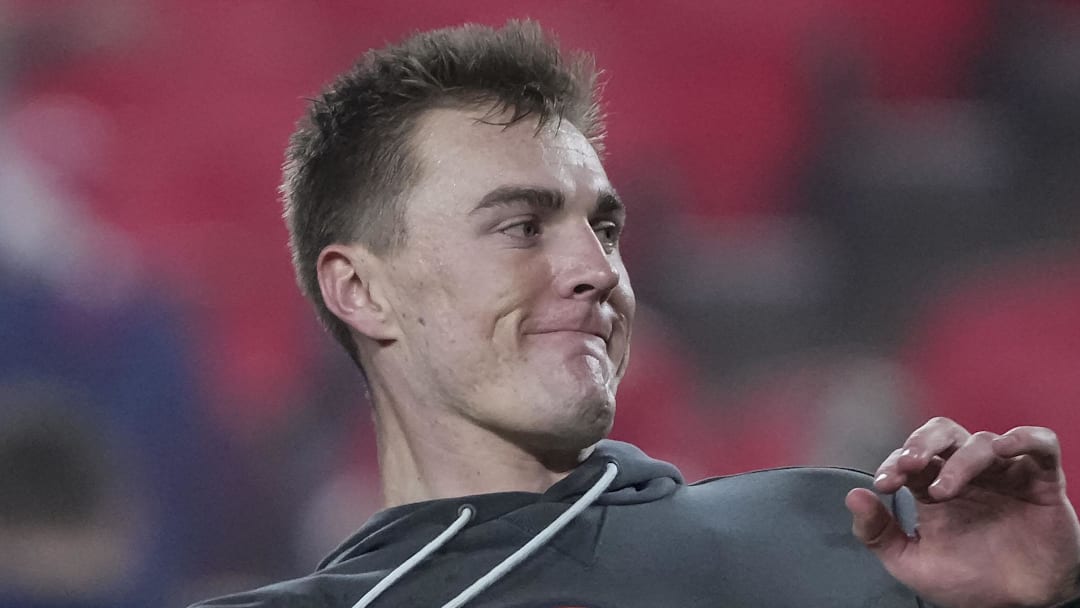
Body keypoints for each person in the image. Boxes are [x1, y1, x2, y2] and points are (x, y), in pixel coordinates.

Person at [191, 21, 1080, 608]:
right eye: (521, 226)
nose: (597, 269)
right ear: (361, 289)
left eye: (604, 227)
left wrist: (1037, 597)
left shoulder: (834, 534)